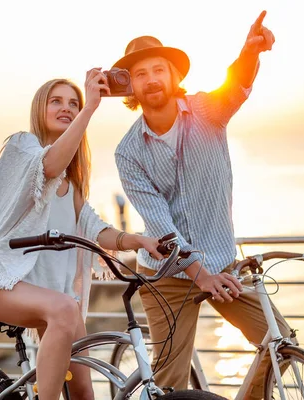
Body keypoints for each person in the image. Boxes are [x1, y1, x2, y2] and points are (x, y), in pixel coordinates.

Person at [113, 11, 291, 399]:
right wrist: (200, 275)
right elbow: (160, 227)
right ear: (131, 88)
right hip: (166, 278)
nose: (152, 79)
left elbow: (237, 85)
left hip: (222, 264)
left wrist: (250, 53)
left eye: (159, 69)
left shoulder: (208, 111)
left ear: (174, 76)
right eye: (140, 74)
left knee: (281, 345)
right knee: (170, 386)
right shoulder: (128, 152)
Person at [0, 71, 165, 400]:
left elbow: (97, 230)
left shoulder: (71, 185)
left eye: (73, 103)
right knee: (67, 309)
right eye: (57, 101)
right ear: (40, 108)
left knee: (83, 390)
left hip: (56, 297)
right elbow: (47, 166)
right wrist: (90, 108)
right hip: (3, 284)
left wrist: (140, 240)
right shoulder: (22, 147)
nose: (67, 108)